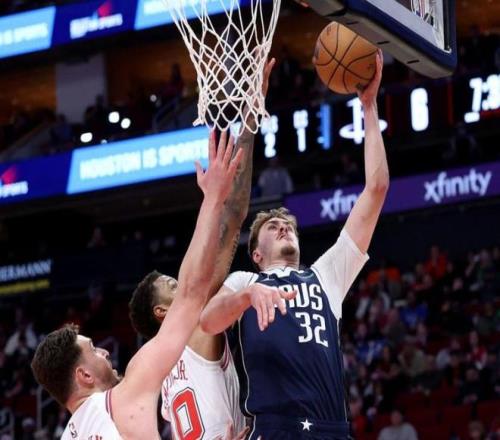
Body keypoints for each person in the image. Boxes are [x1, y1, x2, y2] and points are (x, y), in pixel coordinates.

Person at [200, 50, 389, 440]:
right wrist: (247, 296)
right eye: (273, 226)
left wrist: (369, 109)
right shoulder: (245, 281)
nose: (284, 228)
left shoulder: (326, 275)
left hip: (333, 430)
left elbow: (376, 189)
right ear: (256, 254)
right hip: (276, 429)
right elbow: (208, 321)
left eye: (288, 225)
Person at [30, 132, 245, 440]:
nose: (105, 352)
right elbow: (190, 293)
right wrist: (212, 199)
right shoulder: (120, 399)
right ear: (84, 375)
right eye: (93, 350)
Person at [128, 60, 283, 440]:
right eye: (172, 285)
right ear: (162, 312)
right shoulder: (195, 322)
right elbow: (234, 216)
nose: (183, 283)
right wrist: (251, 116)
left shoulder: (155, 379)